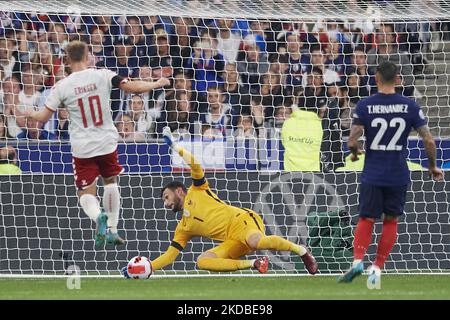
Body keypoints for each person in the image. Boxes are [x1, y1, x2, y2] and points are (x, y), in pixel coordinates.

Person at [25, 40, 170, 249]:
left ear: (67, 59)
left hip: (82, 147)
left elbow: (43, 118)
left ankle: (97, 216)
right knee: (110, 181)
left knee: (85, 192)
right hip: (107, 141)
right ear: (87, 57)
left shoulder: (62, 86)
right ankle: (112, 228)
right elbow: (132, 87)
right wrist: (156, 84)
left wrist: (30, 112)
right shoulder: (102, 74)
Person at [122, 127, 318, 276]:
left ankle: (301, 251)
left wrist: (175, 146)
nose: (165, 203)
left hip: (243, 221)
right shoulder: (183, 228)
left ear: (179, 191)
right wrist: (146, 267)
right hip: (232, 240)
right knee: (203, 261)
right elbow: (170, 255)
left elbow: (195, 164)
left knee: (255, 240)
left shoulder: (198, 189)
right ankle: (254, 264)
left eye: (166, 197)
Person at [337, 61, 443, 287]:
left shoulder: (365, 105)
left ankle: (357, 260)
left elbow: (352, 140)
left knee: (366, 218)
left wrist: (355, 154)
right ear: (398, 79)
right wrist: (432, 166)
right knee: (390, 220)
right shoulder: (410, 106)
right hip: (397, 173)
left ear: (375, 79)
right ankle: (377, 267)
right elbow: (429, 139)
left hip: (373, 173)